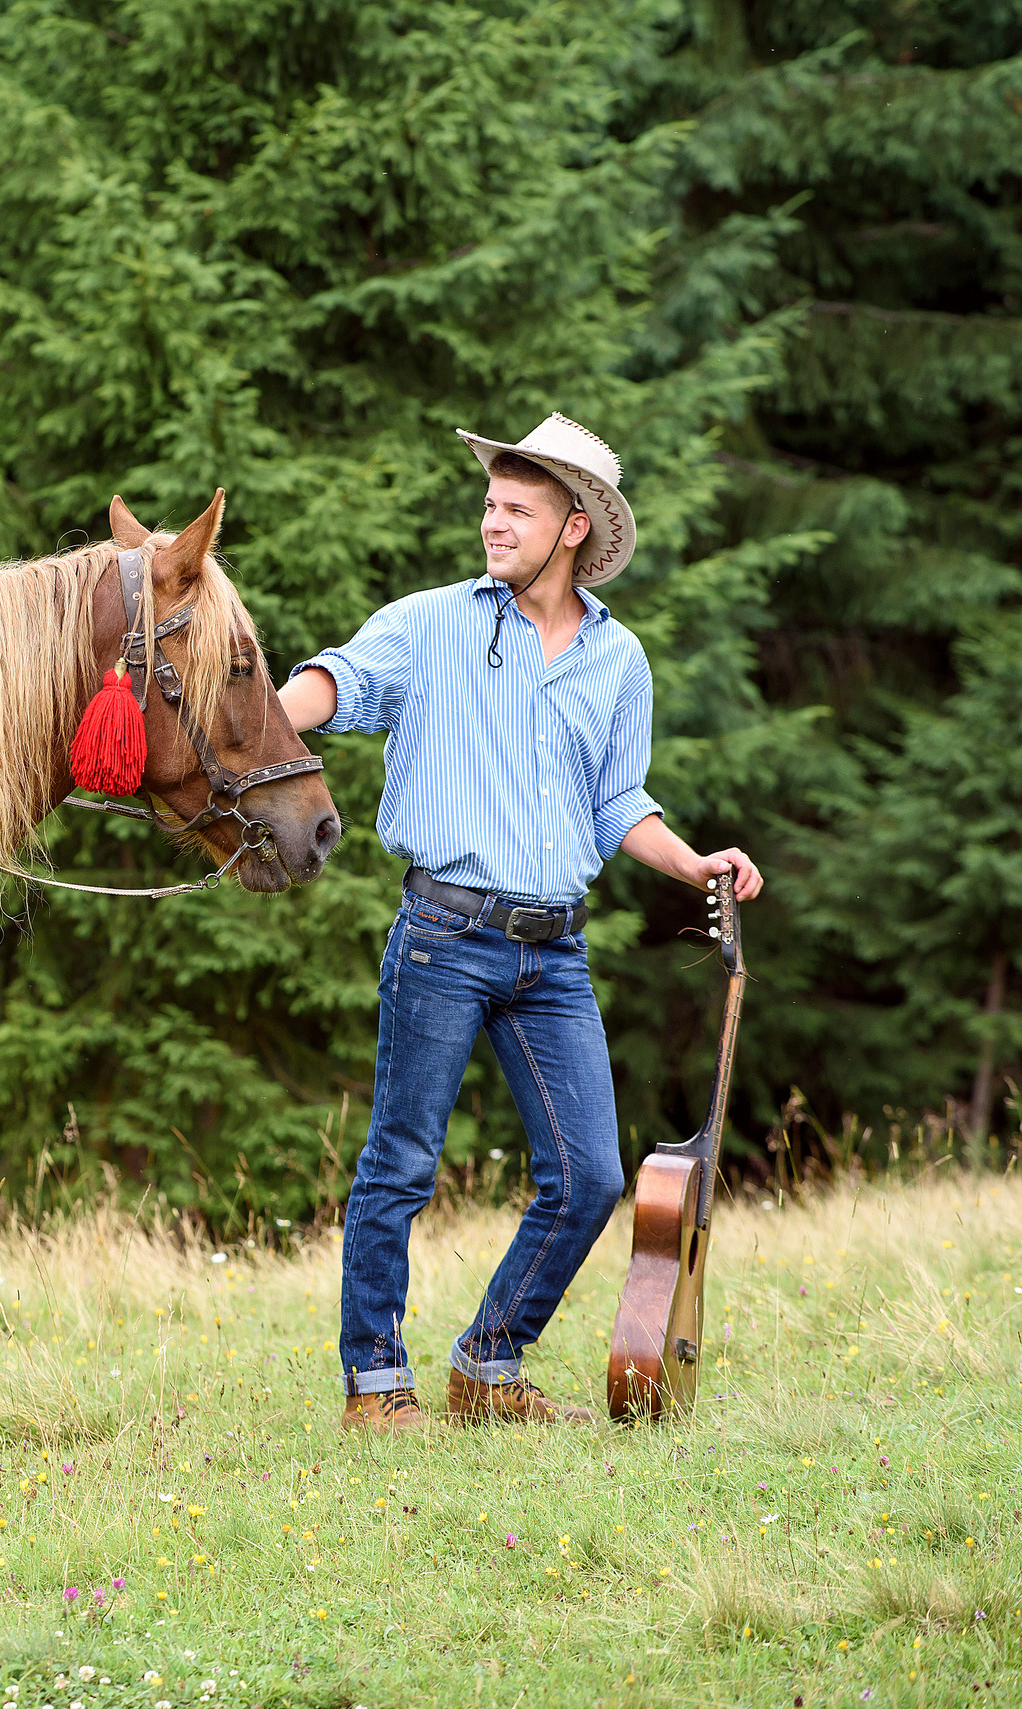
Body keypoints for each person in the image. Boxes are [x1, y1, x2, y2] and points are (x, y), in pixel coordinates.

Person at [279, 414, 763, 1431]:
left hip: (555, 953)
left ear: (574, 527)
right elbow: (340, 680)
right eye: (490, 505)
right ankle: (375, 1386)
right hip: (442, 937)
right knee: (400, 1164)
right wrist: (265, 719)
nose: (492, 523)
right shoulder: (429, 623)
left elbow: (617, 800)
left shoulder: (617, 658)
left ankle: (488, 1363)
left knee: (589, 1176)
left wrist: (694, 862)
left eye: (517, 510)